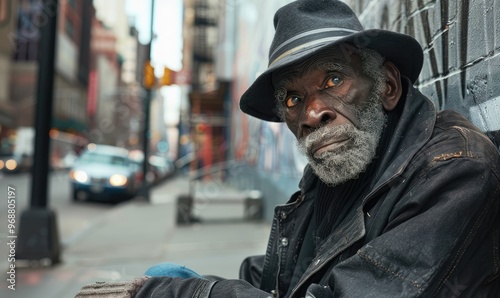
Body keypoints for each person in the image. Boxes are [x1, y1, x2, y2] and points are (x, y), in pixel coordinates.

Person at [76, 0, 500, 297]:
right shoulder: (337, 172)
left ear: (387, 87)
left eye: (333, 80)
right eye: (294, 99)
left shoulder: (455, 171)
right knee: (163, 274)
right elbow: (286, 275)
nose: (312, 112)